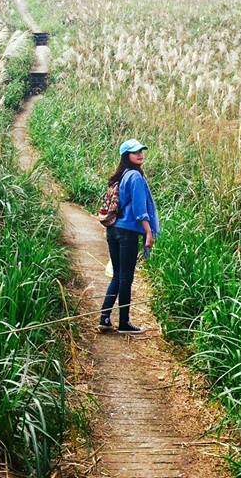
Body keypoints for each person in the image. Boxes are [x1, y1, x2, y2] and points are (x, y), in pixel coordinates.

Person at [99, 138, 160, 335]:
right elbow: (140, 210)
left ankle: (105, 318)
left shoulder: (122, 175)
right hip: (128, 232)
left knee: (118, 275)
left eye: (141, 151)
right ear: (127, 156)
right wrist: (149, 232)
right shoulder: (135, 176)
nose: (140, 154)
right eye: (135, 152)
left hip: (114, 229)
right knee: (126, 277)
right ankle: (124, 322)